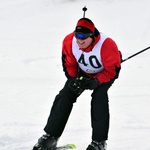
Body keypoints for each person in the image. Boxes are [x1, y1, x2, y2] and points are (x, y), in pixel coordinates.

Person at [33, 17, 121, 150]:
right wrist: (74, 79)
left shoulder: (107, 45)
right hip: (82, 74)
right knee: (65, 95)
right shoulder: (69, 41)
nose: (79, 41)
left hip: (103, 75)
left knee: (99, 98)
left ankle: (99, 142)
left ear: (92, 36)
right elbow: (69, 64)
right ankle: (51, 136)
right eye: (77, 36)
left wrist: (96, 81)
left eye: (83, 38)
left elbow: (112, 71)